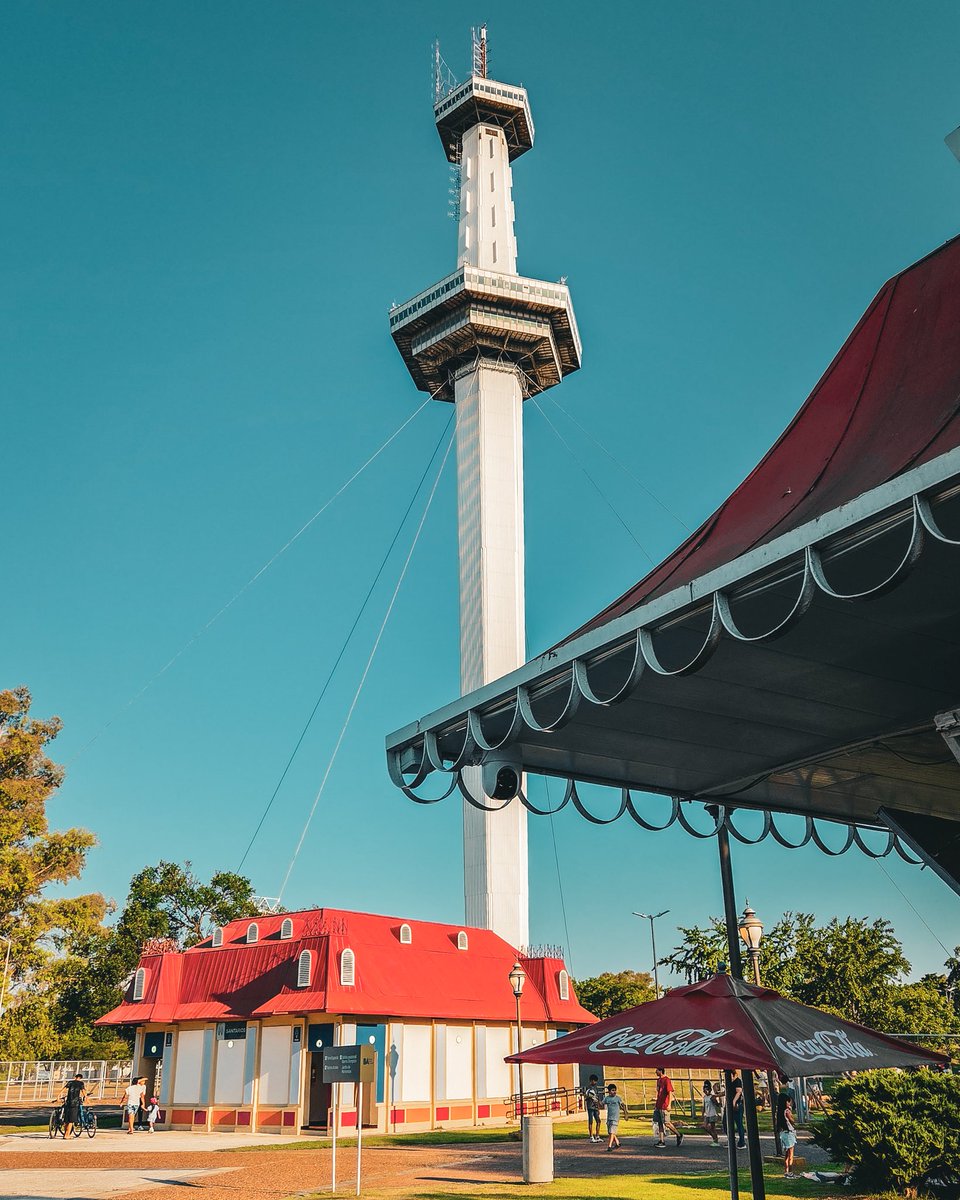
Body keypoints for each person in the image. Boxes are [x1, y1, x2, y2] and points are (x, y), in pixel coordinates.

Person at [653, 1066, 683, 1148]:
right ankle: (661, 1141)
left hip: (664, 1105)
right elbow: (658, 1092)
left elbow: (670, 1092)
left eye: (657, 1070)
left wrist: (669, 1104)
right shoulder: (658, 1080)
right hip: (658, 1105)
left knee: (667, 1123)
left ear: (661, 1071)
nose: (655, 1072)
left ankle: (679, 1134)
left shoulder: (667, 1080)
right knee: (659, 1123)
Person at [59, 1073, 86, 1139]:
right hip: (75, 1103)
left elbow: (63, 1089)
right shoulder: (81, 1083)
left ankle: (65, 1133)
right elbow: (83, 1091)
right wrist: (86, 1098)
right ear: (80, 1078)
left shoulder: (70, 1082)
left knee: (66, 1119)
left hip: (68, 1102)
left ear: (75, 1077)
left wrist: (58, 1096)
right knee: (71, 1120)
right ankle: (67, 1135)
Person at [777, 1094, 798, 1177]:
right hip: (789, 1133)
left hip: (783, 1133)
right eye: (788, 1102)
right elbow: (792, 1121)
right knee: (791, 1154)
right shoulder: (787, 1111)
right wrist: (791, 1115)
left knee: (786, 1154)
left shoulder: (779, 1112)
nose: (789, 1104)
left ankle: (786, 1171)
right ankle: (791, 1171)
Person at [603, 1083, 628, 1151]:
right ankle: (617, 1143)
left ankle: (609, 1146)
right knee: (610, 1132)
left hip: (615, 1118)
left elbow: (623, 1106)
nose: (614, 1092)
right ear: (609, 1091)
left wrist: (625, 1114)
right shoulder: (606, 1098)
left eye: (615, 1090)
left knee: (611, 1132)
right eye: (612, 1090)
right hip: (609, 1117)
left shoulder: (617, 1098)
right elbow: (601, 1104)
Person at [728, 1070, 746, 1148]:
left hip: (737, 1105)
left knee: (739, 1123)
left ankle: (742, 1142)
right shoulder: (730, 1082)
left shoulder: (737, 1081)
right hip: (730, 1105)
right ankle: (731, 1140)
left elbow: (739, 1092)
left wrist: (734, 1102)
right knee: (726, 1122)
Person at [584, 1074, 603, 1143]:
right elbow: (585, 1096)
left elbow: (597, 1098)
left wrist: (598, 1107)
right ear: (591, 1081)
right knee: (591, 1121)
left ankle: (597, 1136)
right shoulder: (588, 1088)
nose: (595, 1082)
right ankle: (591, 1137)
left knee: (598, 1121)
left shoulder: (596, 1088)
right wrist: (588, 1096)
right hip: (590, 1106)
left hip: (595, 1107)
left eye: (596, 1081)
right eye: (594, 1081)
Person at [702, 1079, 720, 1145]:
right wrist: (702, 1114)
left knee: (712, 1128)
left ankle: (716, 1140)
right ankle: (714, 1137)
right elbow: (703, 1106)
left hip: (712, 1114)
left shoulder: (712, 1097)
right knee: (705, 1126)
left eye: (707, 1089)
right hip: (707, 1114)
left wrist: (715, 1101)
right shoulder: (704, 1097)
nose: (705, 1091)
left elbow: (717, 1104)